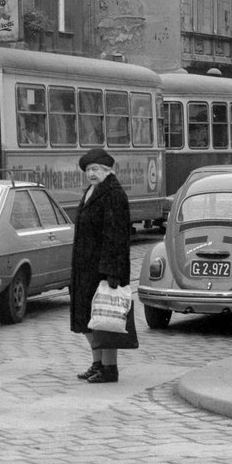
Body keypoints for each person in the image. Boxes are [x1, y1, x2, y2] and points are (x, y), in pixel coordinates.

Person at [71, 147, 138, 384]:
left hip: (104, 270)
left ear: (108, 170)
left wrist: (111, 273)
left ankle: (110, 369)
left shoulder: (114, 194)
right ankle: (97, 363)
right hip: (86, 268)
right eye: (88, 170)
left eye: (96, 169)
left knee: (107, 321)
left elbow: (116, 236)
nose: (91, 173)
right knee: (89, 319)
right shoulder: (92, 190)